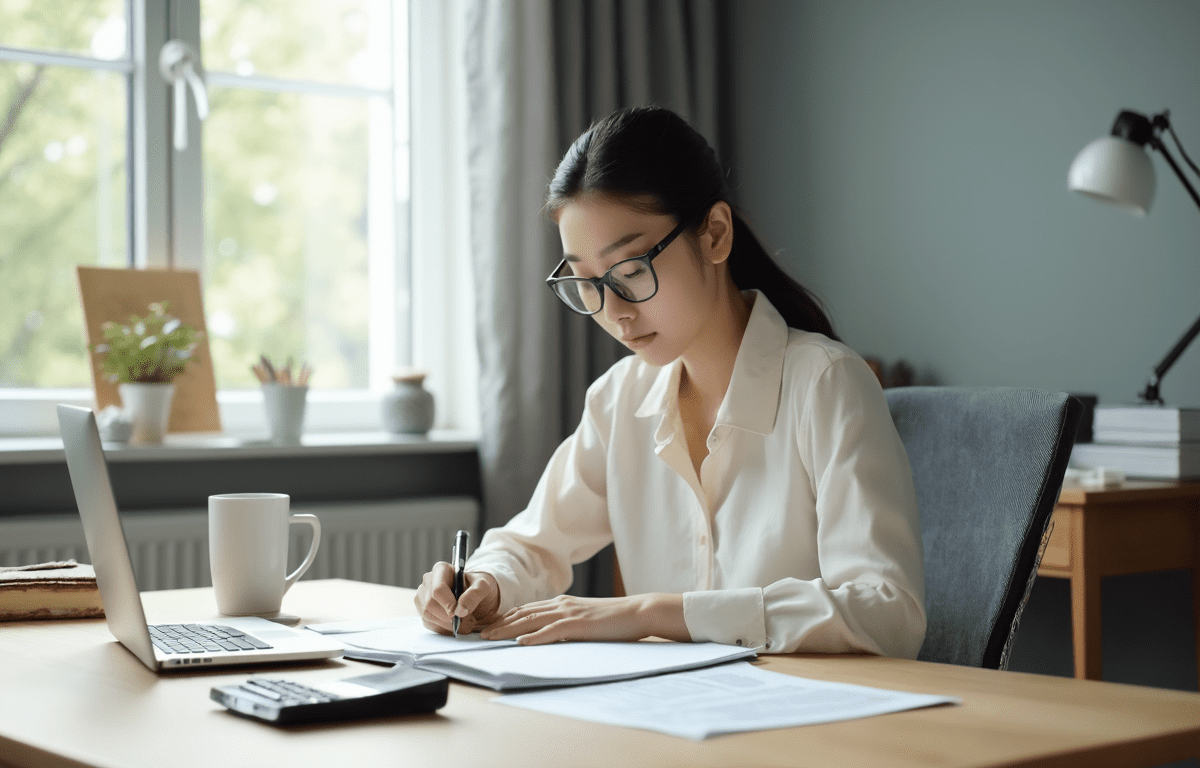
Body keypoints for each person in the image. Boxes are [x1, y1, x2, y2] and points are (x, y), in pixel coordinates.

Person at [415, 106, 926, 657]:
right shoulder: (619, 400)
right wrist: (483, 584)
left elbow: (887, 611)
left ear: (715, 235)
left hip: (815, 725)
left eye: (632, 271)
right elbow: (533, 544)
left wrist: (653, 613)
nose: (612, 312)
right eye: (585, 283)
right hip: (673, 724)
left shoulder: (827, 384)